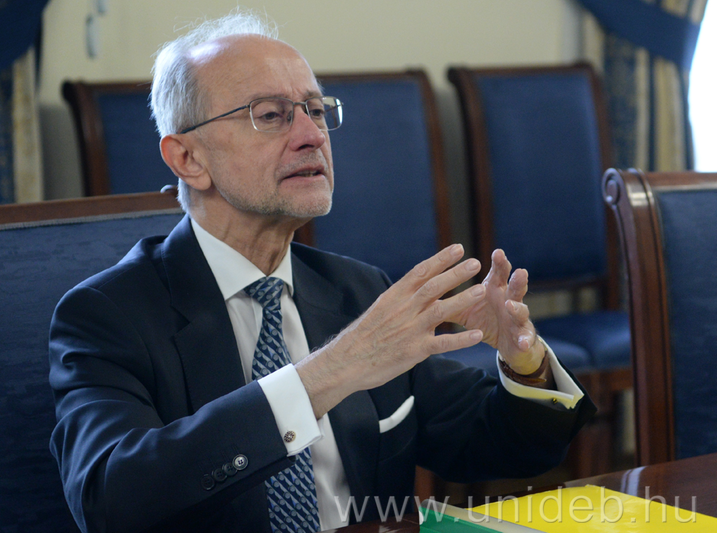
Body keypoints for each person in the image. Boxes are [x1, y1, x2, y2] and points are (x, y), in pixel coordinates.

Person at [49, 11, 595, 533]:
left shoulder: (357, 290)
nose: (312, 135)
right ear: (188, 159)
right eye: (270, 115)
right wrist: (331, 371)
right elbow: (110, 501)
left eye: (315, 110)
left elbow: (495, 445)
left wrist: (525, 365)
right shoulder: (106, 316)